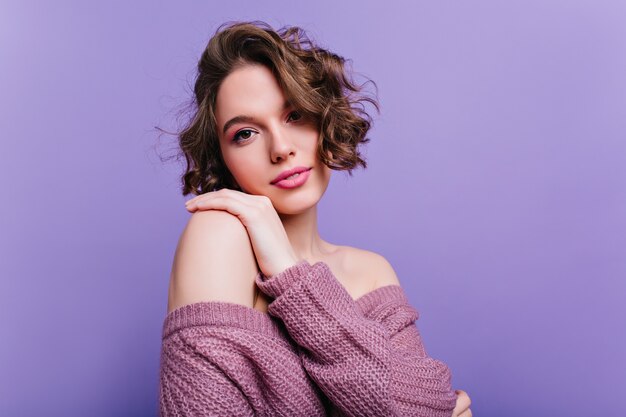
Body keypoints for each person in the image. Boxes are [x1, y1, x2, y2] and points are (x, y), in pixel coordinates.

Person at [158, 20, 472, 417]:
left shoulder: (371, 271)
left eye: (294, 116)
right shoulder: (218, 237)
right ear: (222, 157)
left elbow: (425, 410)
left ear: (324, 118)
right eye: (245, 134)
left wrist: (289, 270)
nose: (281, 148)